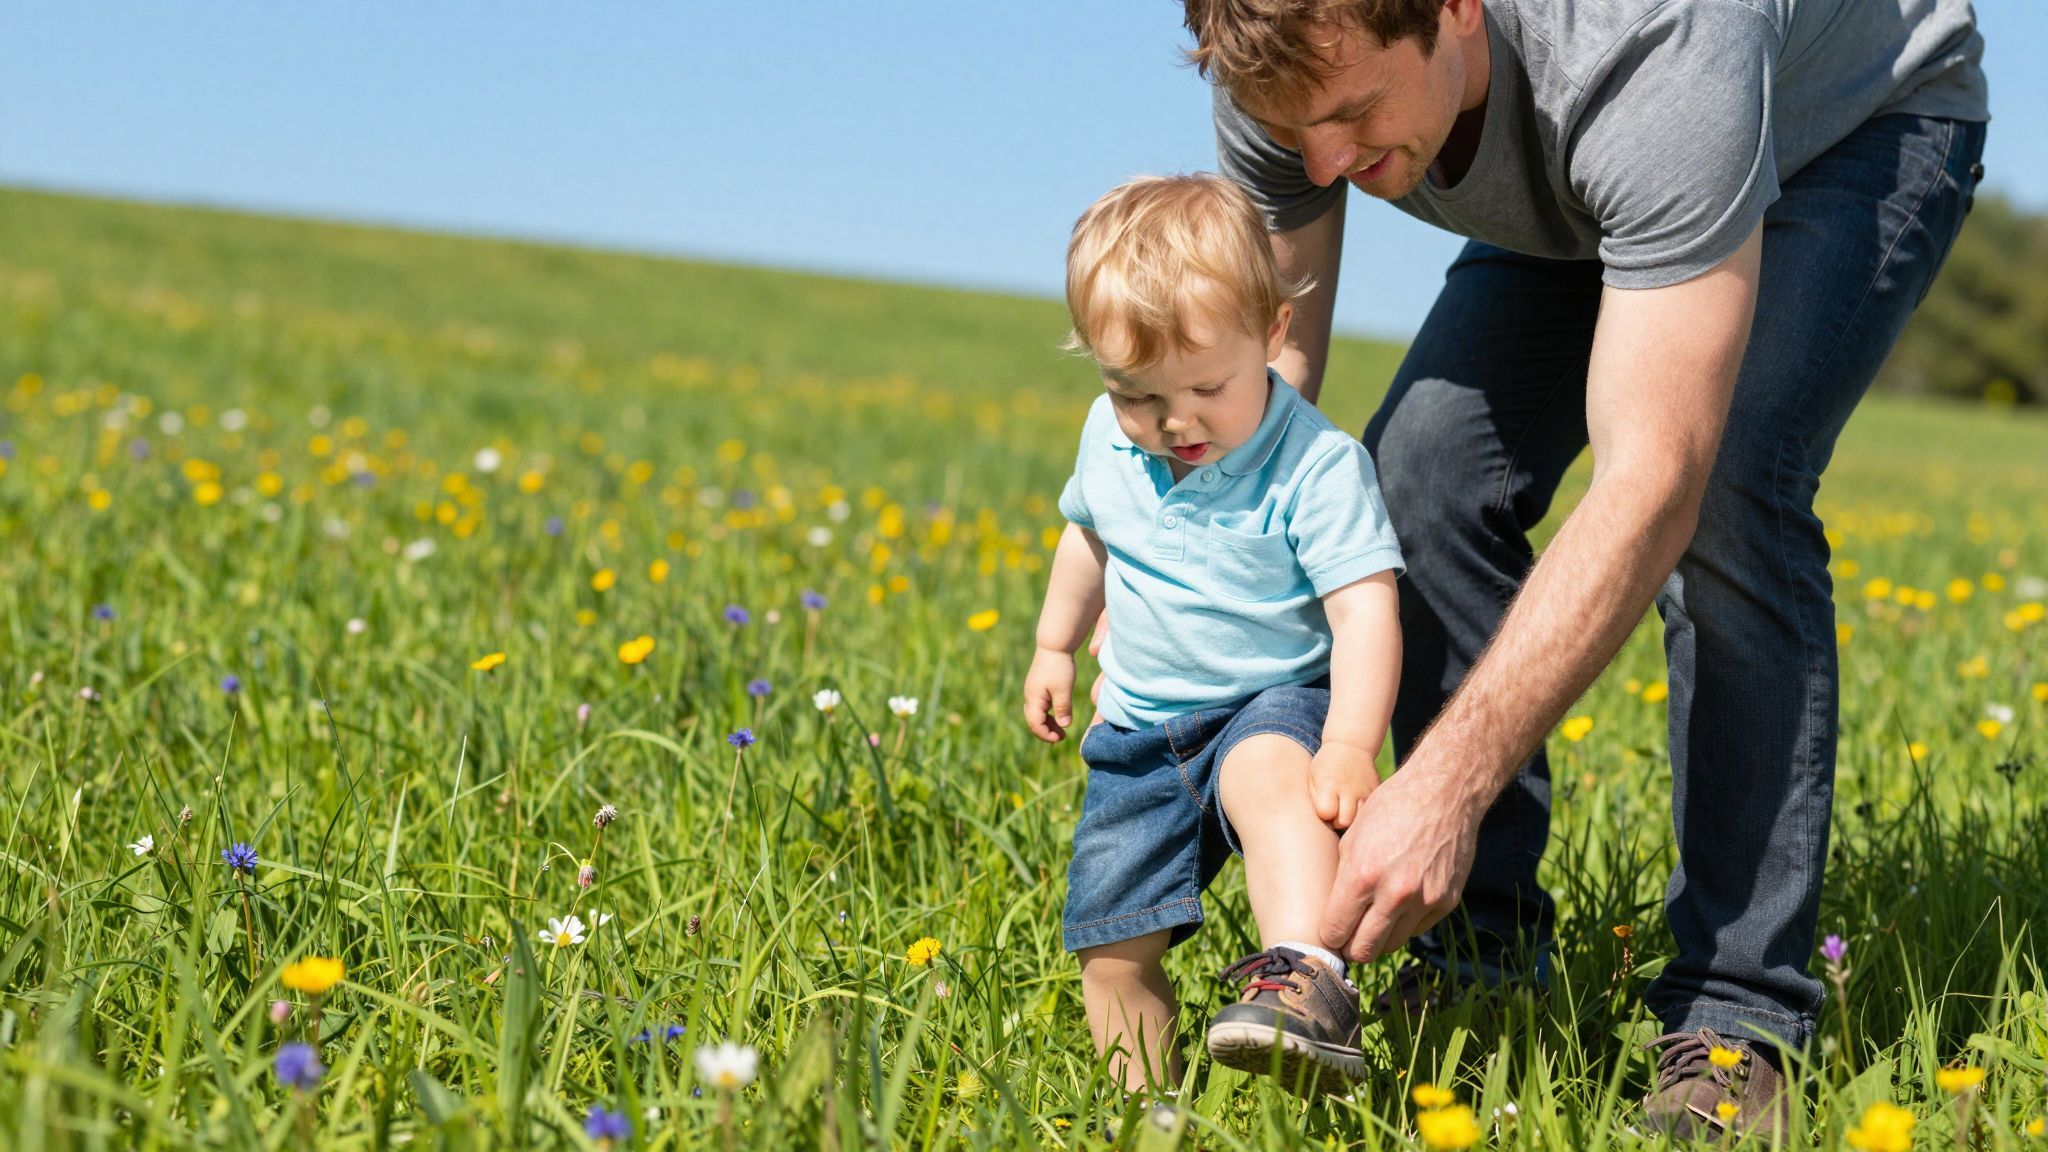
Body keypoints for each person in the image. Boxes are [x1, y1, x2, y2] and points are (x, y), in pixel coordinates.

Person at [1177, 0, 1988, 1135]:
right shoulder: (1277, 56)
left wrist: (1446, 786)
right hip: (1608, 171)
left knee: (1729, 485)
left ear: (1453, 9)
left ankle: (1738, 1020)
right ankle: (1476, 961)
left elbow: (1654, 477)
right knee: (1416, 474)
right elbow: (1273, 384)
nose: (1322, 164)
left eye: (1354, 113)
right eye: (1289, 130)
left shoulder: (1651, 39)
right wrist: (1184, 575)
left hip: (1848, 123)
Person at [1023, 174, 1406, 1096]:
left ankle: (1304, 984)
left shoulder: (1317, 467)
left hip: (1272, 699)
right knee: (1111, 949)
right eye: (1136, 393)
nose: (1174, 421)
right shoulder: (1110, 438)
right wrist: (1053, 646)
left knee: (1267, 777)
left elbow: (1366, 609)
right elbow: (1089, 536)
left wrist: (1350, 742)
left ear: (1274, 334)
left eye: (1206, 387)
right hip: (1139, 729)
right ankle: (1148, 1109)